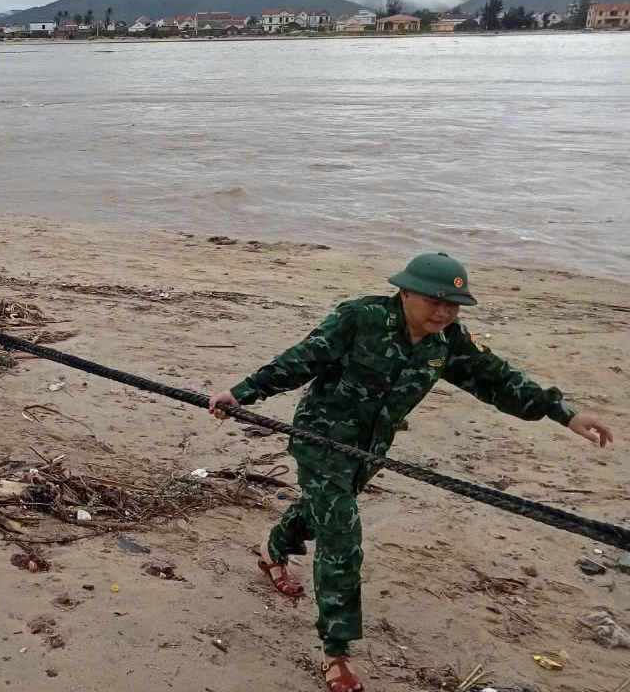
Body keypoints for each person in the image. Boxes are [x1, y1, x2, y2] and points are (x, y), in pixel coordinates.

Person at [206, 252, 615, 692]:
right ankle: (336, 652)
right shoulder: (360, 318)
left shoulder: (449, 341)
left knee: (322, 512)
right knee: (342, 535)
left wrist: (564, 414)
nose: (443, 312)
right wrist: (242, 393)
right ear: (404, 292)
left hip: (372, 450)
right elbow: (301, 360)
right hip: (321, 440)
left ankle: (272, 551)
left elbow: (498, 379)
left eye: (453, 304)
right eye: (434, 301)